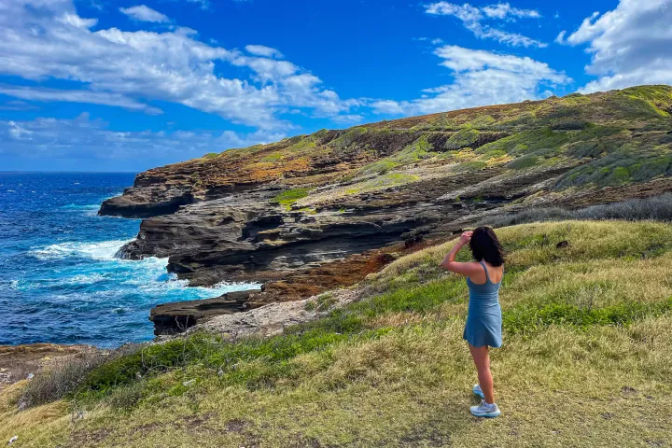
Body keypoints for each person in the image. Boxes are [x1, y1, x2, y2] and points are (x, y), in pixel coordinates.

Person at [439, 226, 504, 418]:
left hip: (479, 317)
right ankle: (485, 390)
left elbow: (446, 263)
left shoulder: (476, 268)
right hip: (493, 313)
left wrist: (460, 242)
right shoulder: (498, 264)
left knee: (481, 365)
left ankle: (490, 406)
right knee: (484, 358)